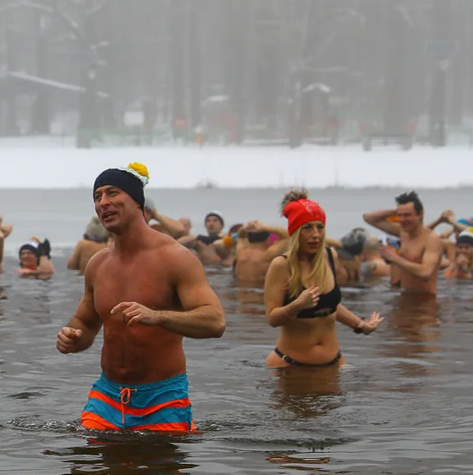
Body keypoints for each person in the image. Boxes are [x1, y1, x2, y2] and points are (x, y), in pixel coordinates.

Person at [56, 162, 226, 433]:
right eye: (97, 196)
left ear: (137, 201)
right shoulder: (98, 264)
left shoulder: (175, 257)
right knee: (87, 469)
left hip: (162, 397)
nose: (104, 202)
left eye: (112, 193)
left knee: (158, 470)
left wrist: (157, 316)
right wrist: (72, 337)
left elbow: (215, 321)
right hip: (107, 396)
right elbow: (85, 323)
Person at [265, 191, 383, 368]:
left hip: (334, 364)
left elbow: (329, 305)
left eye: (320, 227)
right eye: (307, 228)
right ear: (296, 232)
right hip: (290, 367)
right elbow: (273, 318)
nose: (316, 235)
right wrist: (296, 305)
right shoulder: (281, 265)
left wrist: (360, 325)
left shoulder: (330, 256)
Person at [362, 191, 443, 294]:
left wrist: (394, 257)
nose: (402, 220)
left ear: (420, 214)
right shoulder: (403, 233)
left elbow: (426, 272)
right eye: (400, 215)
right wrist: (397, 211)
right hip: (404, 297)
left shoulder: (432, 239)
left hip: (425, 302)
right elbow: (368, 218)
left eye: (407, 215)